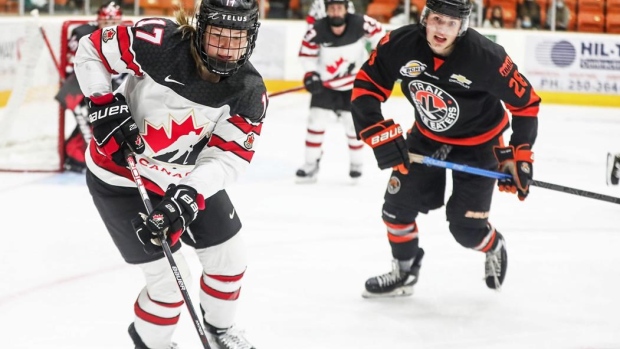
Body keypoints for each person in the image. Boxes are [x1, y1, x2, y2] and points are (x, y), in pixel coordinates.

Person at [73, 0, 267, 347]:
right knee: (168, 286)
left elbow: (228, 158)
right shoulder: (160, 43)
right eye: (218, 36)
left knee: (230, 259)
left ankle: (220, 330)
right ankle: (151, 343)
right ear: (201, 28)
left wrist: (190, 195)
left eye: (236, 39)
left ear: (251, 38)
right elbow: (92, 48)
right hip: (121, 180)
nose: (226, 48)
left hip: (183, 181)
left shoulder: (248, 90)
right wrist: (102, 100)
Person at [351, 0, 540, 298]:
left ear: (462, 26)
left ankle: (493, 244)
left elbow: (526, 104)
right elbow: (366, 87)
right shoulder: (399, 44)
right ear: (425, 17)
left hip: (480, 145)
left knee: (466, 230)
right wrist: (378, 133)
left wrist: (521, 154)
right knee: (396, 210)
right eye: (437, 19)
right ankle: (404, 272)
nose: (441, 29)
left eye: (451, 23)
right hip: (427, 138)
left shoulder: (487, 57)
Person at [296, 0, 385, 183]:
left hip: (353, 86)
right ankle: (310, 164)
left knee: (353, 127)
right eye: (332, 8)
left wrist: (378, 58)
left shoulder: (360, 23)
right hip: (325, 86)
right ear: (326, 10)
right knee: (315, 123)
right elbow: (306, 55)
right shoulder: (317, 29)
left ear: (346, 9)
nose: (336, 12)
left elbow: (380, 36)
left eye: (339, 8)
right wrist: (311, 74)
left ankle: (356, 164)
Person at [55, 1, 124, 173]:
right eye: (106, 22)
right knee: (92, 122)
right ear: (98, 20)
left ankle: (101, 158)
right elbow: (73, 66)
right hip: (83, 88)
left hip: (114, 89)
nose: (110, 26)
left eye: (114, 22)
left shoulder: (127, 36)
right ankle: (77, 157)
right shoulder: (83, 34)